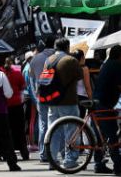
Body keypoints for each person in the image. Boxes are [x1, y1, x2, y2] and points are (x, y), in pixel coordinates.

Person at [92, 45, 121, 175]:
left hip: (99, 101)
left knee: (100, 136)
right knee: (112, 135)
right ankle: (118, 165)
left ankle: (98, 163)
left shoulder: (107, 63)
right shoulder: (118, 65)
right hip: (105, 104)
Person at [42, 38, 84, 170]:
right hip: (68, 101)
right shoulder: (70, 60)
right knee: (71, 131)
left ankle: (52, 161)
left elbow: (45, 80)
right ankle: (69, 160)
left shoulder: (48, 60)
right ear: (68, 47)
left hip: (52, 102)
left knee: (53, 131)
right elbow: (79, 76)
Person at [29, 35, 56, 163]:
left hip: (40, 96)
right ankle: (55, 153)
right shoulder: (57, 57)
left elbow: (31, 77)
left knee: (43, 124)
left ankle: (43, 153)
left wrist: (35, 94)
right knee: (57, 124)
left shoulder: (35, 59)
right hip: (56, 95)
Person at [1, 55, 29, 161]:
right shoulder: (17, 73)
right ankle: (24, 153)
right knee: (20, 130)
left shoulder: (1, 74)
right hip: (17, 104)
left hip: (5, 105)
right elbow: (23, 86)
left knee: (7, 131)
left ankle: (8, 153)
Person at [72, 50, 94, 118]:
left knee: (76, 121)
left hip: (73, 97)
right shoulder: (84, 68)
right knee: (80, 122)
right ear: (82, 57)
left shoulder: (72, 67)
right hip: (82, 97)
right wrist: (91, 100)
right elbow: (87, 86)